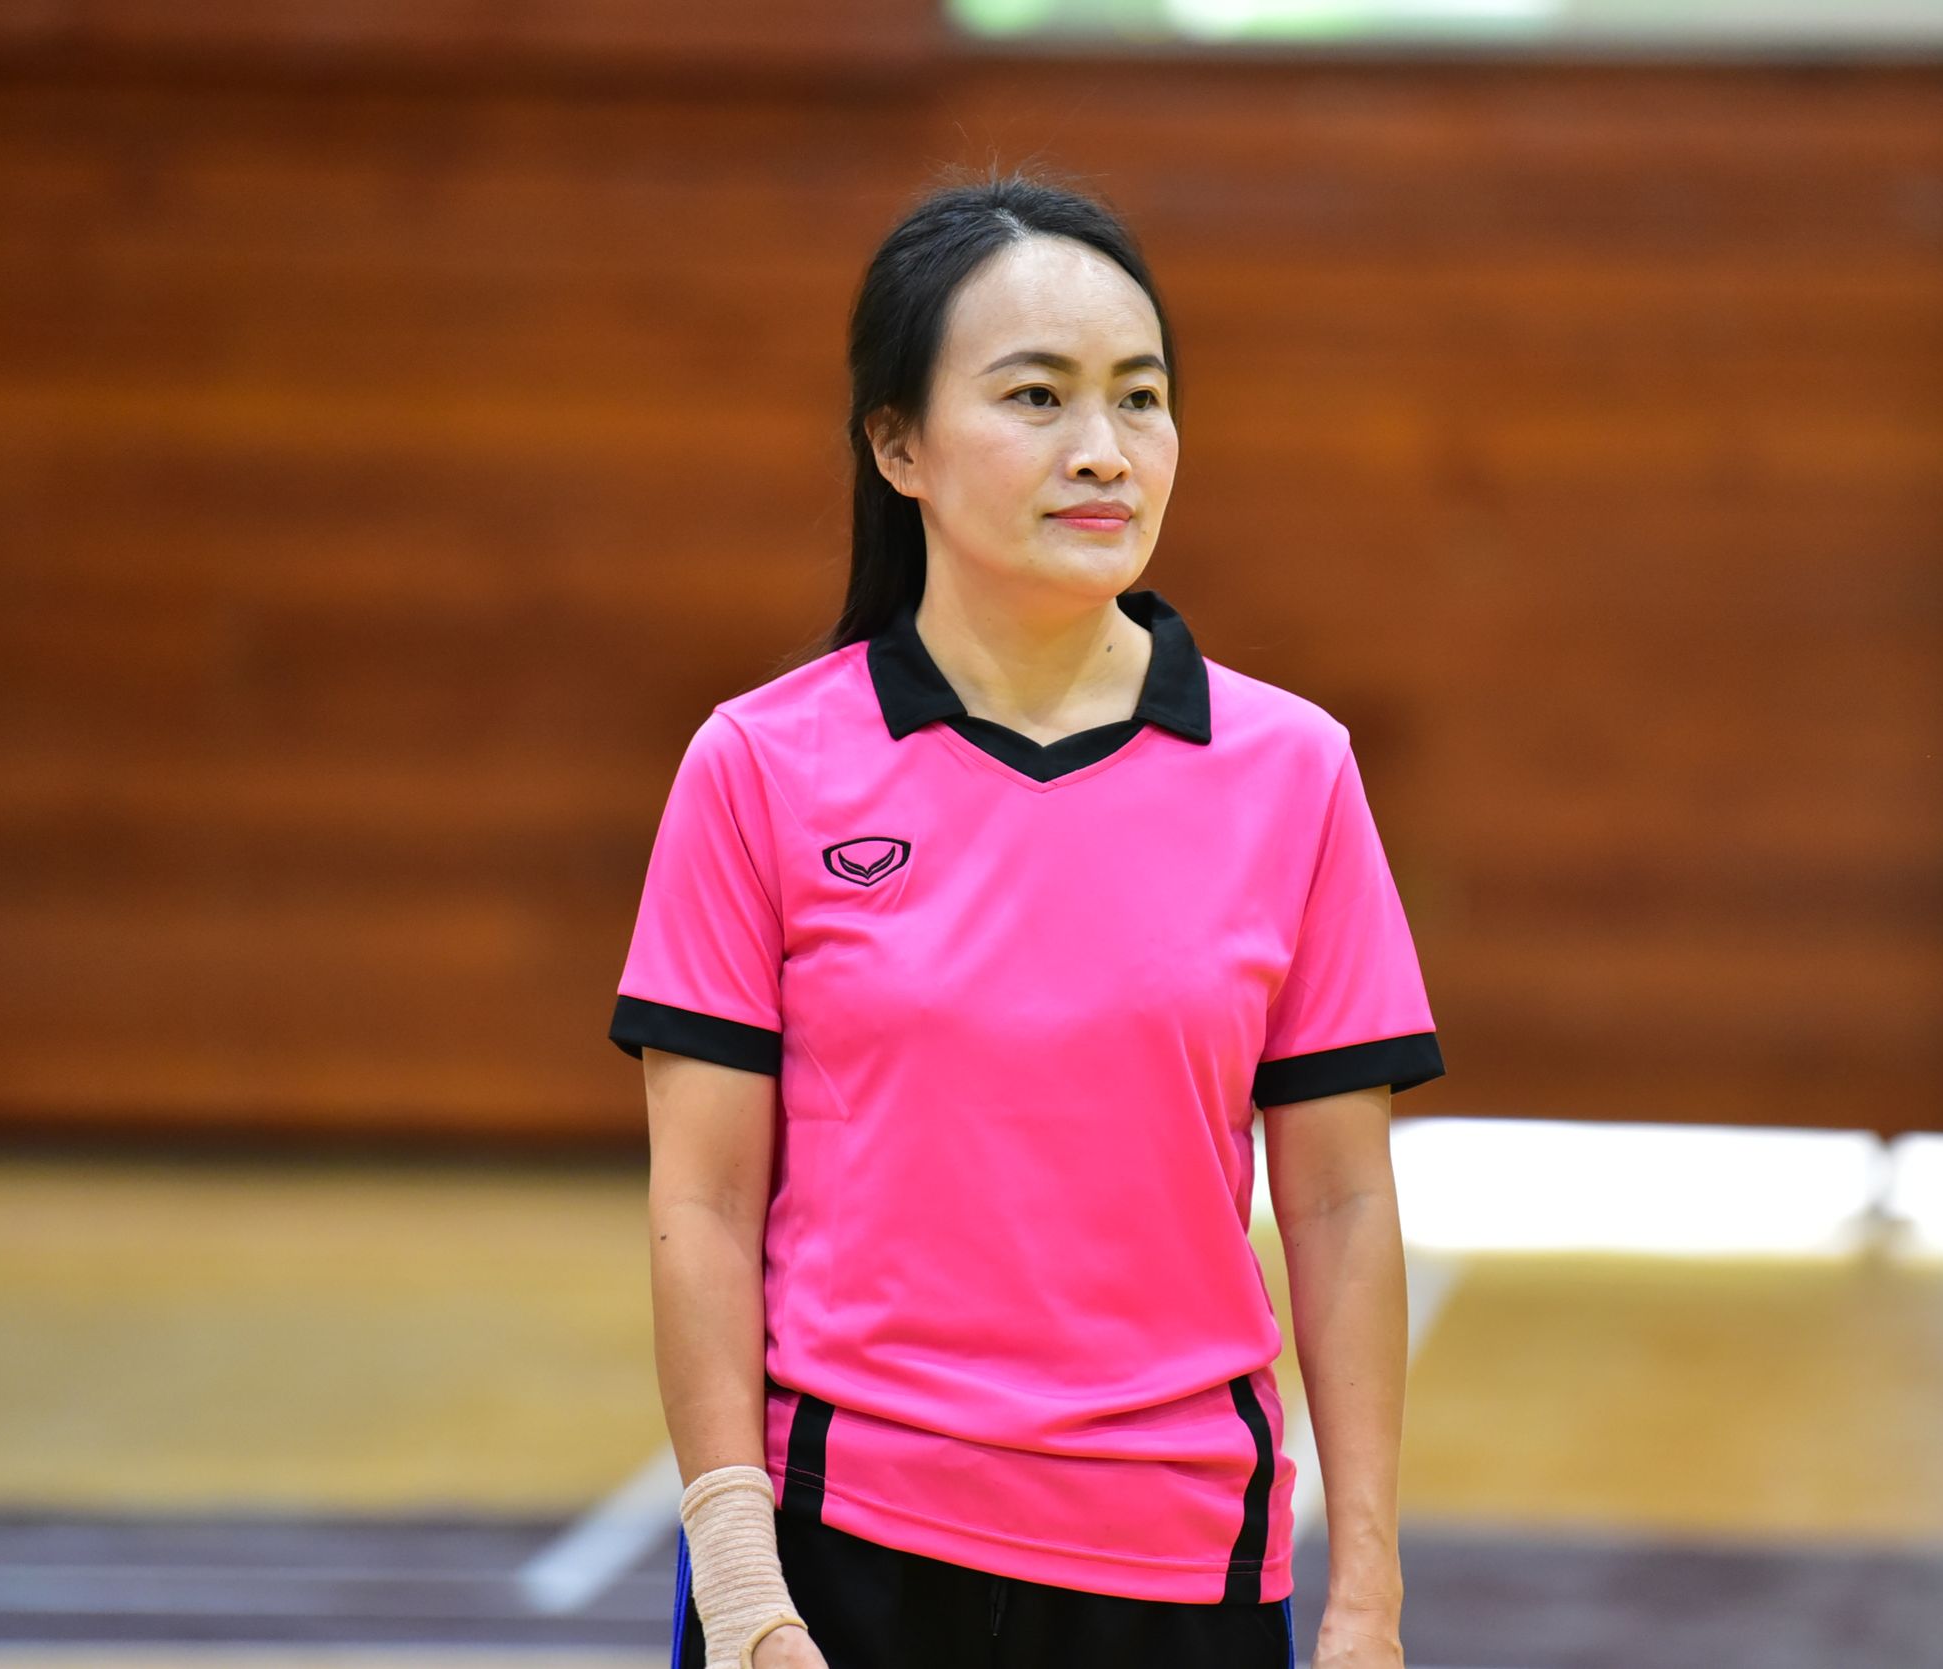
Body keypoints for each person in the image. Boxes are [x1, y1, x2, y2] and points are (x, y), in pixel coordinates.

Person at [612, 165, 1442, 1669]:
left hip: (1183, 1565)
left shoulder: (1296, 773)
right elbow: (706, 1205)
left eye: (1141, 398)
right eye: (1038, 397)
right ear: (899, 445)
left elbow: (1339, 1204)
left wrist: (1368, 1598)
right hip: (839, 1559)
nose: (1104, 450)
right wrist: (740, 1589)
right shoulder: (759, 768)